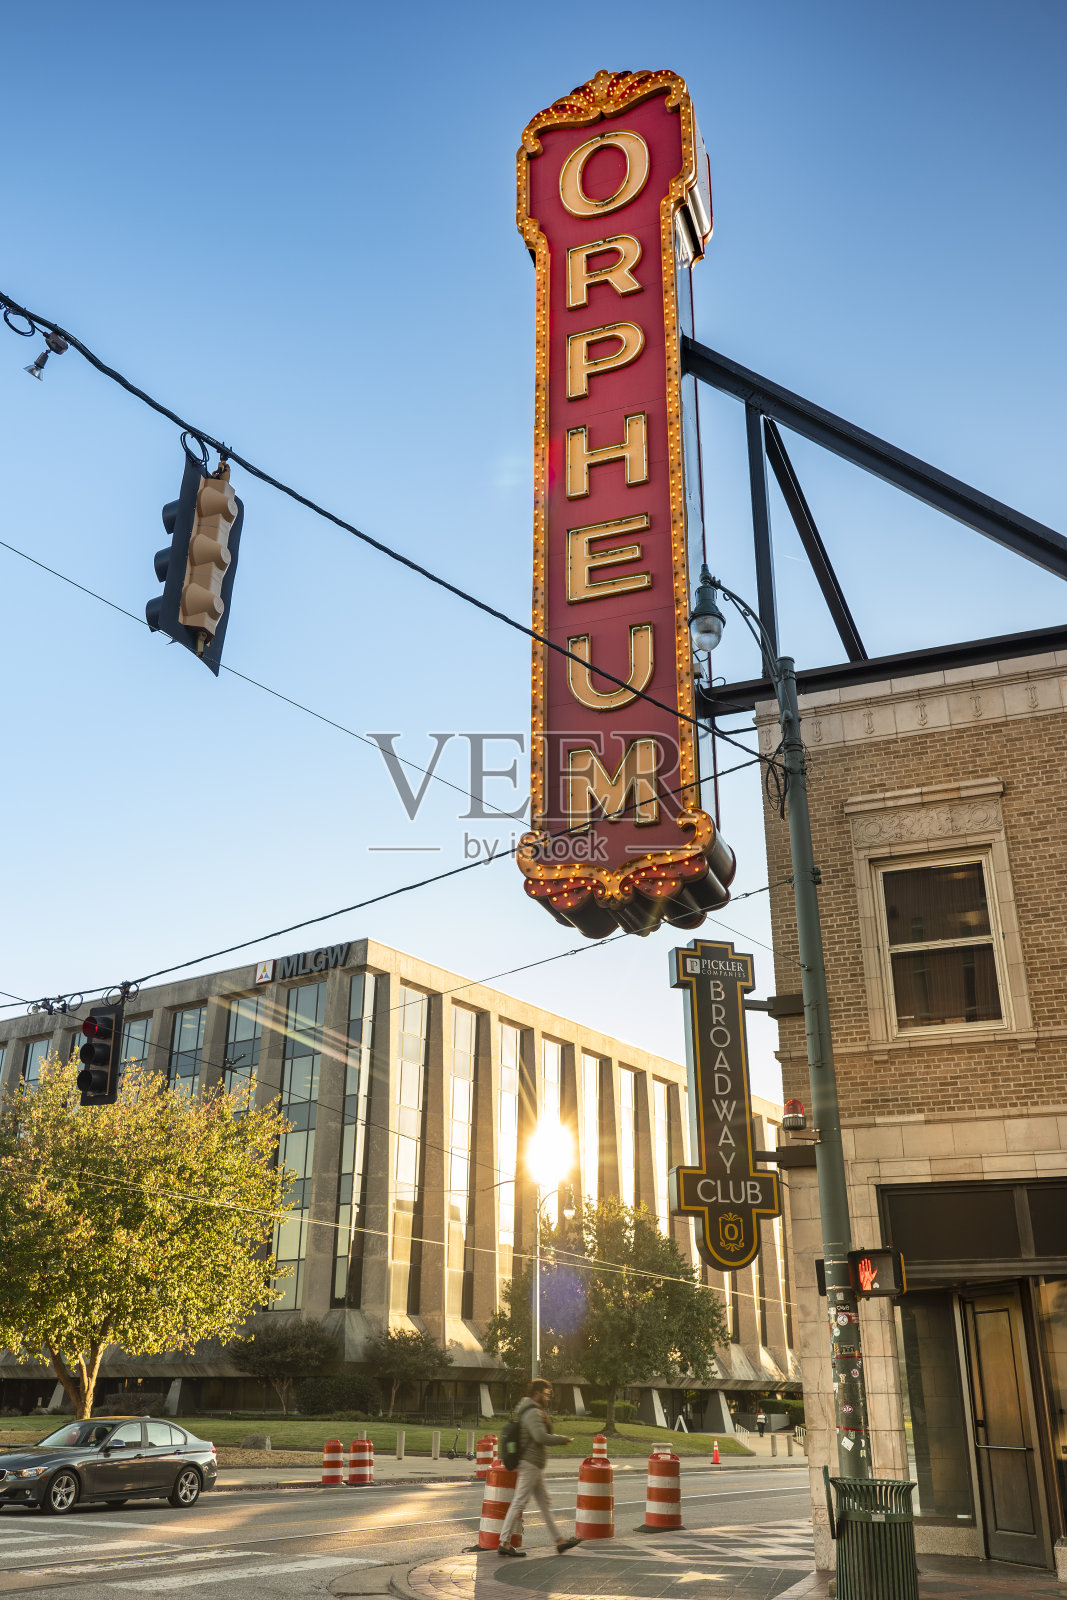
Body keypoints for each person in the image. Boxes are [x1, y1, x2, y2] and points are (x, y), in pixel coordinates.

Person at [497, 1379, 582, 1558]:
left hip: (534, 1464)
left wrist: (546, 1420)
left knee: (544, 1503)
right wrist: (561, 1439)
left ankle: (559, 1541)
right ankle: (504, 1542)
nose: (548, 1397)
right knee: (520, 1501)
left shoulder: (535, 1411)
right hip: (530, 1463)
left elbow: (543, 1432)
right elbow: (540, 1436)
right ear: (537, 1393)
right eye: (546, 1394)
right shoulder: (532, 1412)